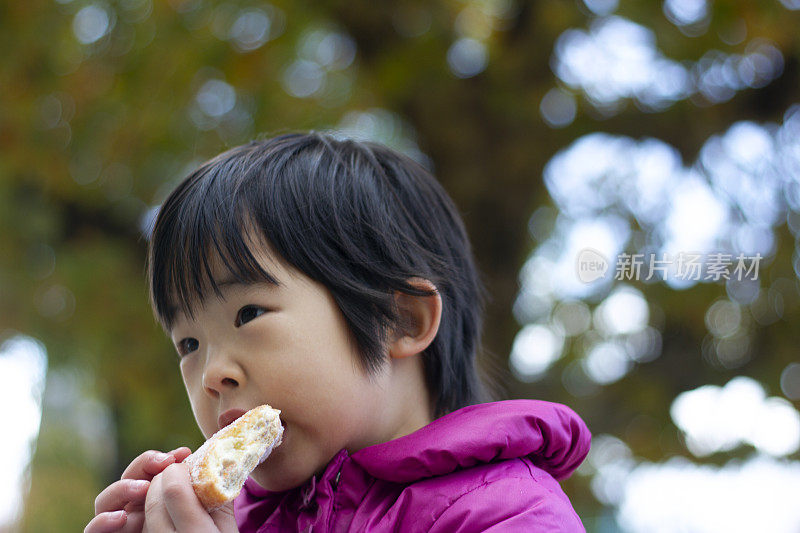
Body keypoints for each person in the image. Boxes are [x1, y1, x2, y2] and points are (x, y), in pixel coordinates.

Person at [85, 132, 591, 532]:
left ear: (401, 321)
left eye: (248, 314)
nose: (212, 374)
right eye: (188, 344)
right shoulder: (242, 523)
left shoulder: (510, 514)